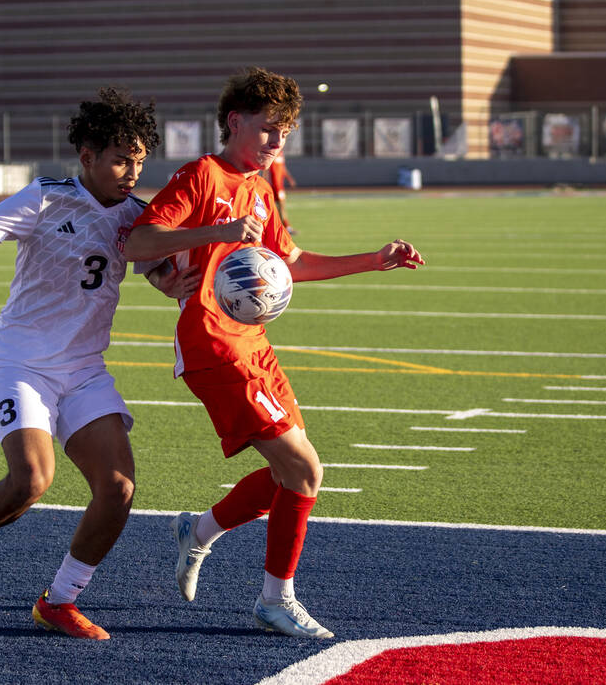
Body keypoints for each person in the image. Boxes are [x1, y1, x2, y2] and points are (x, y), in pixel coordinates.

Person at [123, 67, 423, 639]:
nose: (276, 143)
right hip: (212, 343)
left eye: (285, 133)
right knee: (304, 469)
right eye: (267, 130)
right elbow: (139, 241)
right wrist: (211, 237)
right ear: (235, 122)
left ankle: (200, 532)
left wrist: (372, 259)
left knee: (297, 473)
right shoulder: (200, 175)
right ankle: (274, 600)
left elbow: (294, 263)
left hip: (254, 343)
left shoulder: (261, 189)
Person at [0, 88, 198, 640]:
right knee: (32, 478)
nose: (130, 172)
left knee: (119, 488)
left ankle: (58, 601)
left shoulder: (136, 217)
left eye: (138, 161)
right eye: (118, 159)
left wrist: (175, 283)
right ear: (87, 156)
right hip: (21, 363)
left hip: (83, 369)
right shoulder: (46, 197)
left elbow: (153, 271)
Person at [266, 151, 297, 234]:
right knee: (275, 207)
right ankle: (284, 227)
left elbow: (283, 168)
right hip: (274, 186)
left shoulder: (281, 153)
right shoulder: (271, 152)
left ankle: (284, 227)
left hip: (280, 185)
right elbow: (266, 170)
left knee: (281, 206)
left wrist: (289, 178)